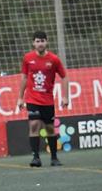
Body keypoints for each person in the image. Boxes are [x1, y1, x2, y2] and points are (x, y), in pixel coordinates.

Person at [15, 30, 69, 167]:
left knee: (50, 128)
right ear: (33, 43)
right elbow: (24, 78)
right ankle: (36, 158)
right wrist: (20, 97)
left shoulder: (54, 59)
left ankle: (54, 158)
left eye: (42, 41)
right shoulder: (27, 58)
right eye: (37, 41)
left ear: (46, 42)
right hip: (32, 99)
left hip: (48, 100)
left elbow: (64, 77)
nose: (40, 44)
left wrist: (65, 97)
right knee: (34, 125)